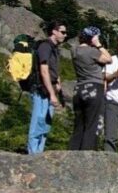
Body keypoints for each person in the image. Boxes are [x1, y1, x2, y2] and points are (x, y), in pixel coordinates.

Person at [27, 20, 67, 154]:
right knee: (38, 120)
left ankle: (39, 152)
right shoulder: (45, 46)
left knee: (45, 123)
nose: (65, 35)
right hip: (41, 90)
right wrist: (52, 94)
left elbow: (53, 71)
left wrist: (58, 86)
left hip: (49, 89)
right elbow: (44, 71)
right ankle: (33, 154)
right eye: (62, 32)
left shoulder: (54, 49)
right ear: (54, 31)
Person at [69, 26, 112, 150]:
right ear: (92, 38)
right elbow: (108, 59)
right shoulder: (92, 51)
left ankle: (73, 152)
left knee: (79, 124)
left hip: (79, 88)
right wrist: (98, 45)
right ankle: (86, 154)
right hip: (94, 87)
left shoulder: (74, 50)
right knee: (91, 125)